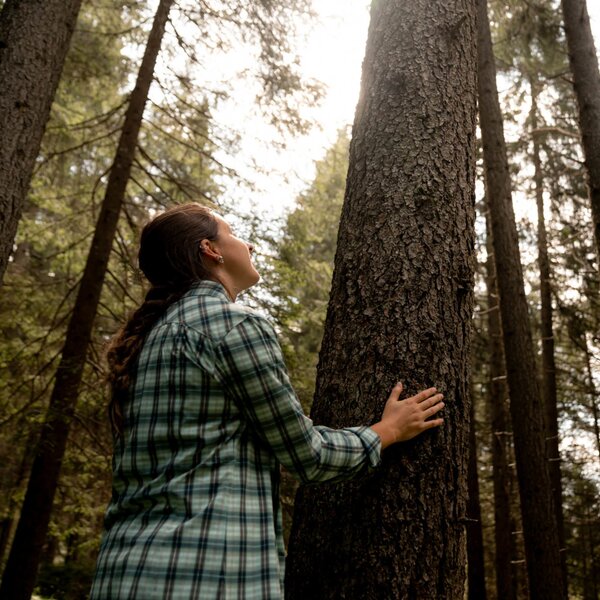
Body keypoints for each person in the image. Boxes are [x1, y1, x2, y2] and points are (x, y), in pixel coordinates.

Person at [90, 203, 444, 600]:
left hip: (122, 572)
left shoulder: (144, 341)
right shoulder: (234, 325)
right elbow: (306, 455)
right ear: (211, 250)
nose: (250, 244)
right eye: (234, 233)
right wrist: (387, 431)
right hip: (204, 574)